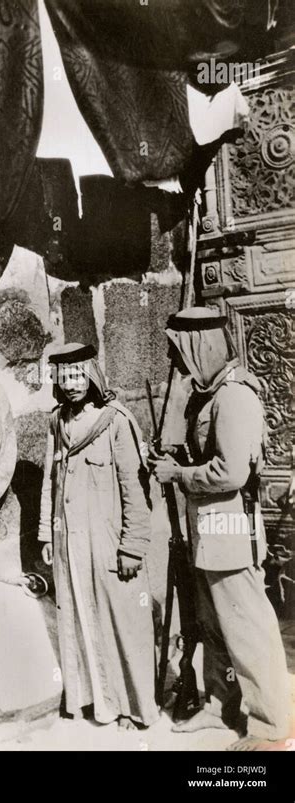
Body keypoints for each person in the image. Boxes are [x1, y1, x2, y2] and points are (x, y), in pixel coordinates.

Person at [148, 307, 291, 750]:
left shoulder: (234, 396)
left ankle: (272, 725)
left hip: (230, 527)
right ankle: (219, 706)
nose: (178, 362)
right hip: (207, 530)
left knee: (247, 628)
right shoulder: (205, 394)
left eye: (181, 352)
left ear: (201, 346)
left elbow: (231, 472)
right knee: (213, 626)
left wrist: (180, 475)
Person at [38, 343, 159, 730]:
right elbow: (49, 482)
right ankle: (93, 700)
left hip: (108, 544)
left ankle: (134, 708)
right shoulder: (57, 421)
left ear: (91, 375)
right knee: (79, 621)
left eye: (78, 375)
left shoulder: (115, 421)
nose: (72, 384)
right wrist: (46, 532)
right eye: (64, 376)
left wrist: (133, 547)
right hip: (69, 545)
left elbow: (134, 490)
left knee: (122, 624)